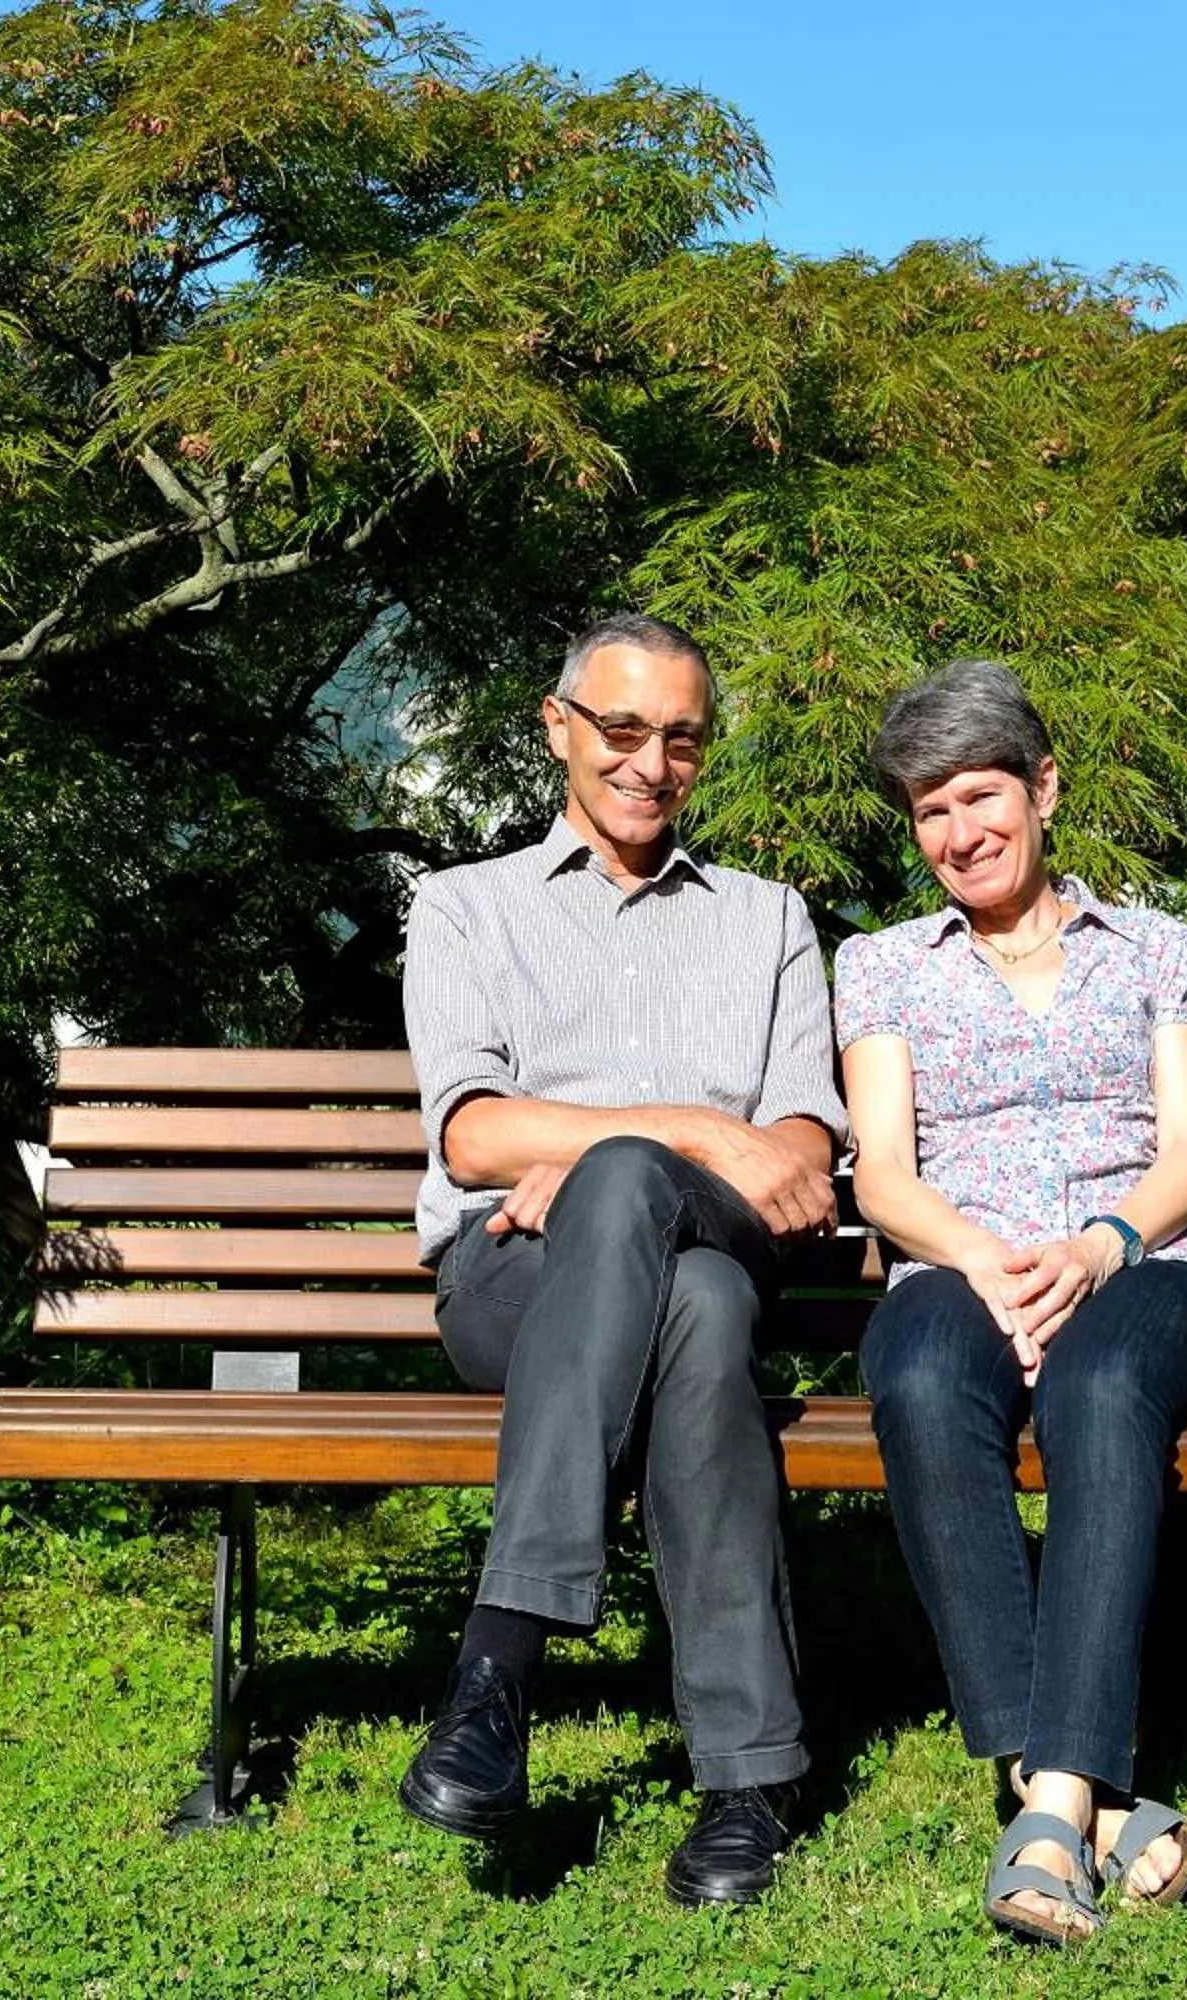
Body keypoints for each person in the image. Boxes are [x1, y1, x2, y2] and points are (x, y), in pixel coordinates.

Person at [397, 611, 847, 1907]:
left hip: (709, 1242)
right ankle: (747, 1784)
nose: (651, 764)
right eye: (623, 729)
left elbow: (805, 1147)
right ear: (559, 729)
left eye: (684, 740)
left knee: (665, 1231)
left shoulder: (765, 921)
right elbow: (476, 1133)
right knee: (689, 1289)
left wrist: (602, 1161)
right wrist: (689, 1133)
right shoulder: (465, 909)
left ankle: (496, 1678)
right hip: (512, 1284)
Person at [833, 659, 1187, 1947]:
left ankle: (1053, 1797)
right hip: (957, 1264)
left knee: (1103, 1385)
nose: (957, 834)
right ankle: (1081, 1798)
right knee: (912, 1380)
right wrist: (994, 1263)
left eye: (978, 797)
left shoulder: (1164, 951)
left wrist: (1098, 1247)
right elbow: (886, 1175)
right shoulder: (882, 966)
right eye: (928, 811)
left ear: (1044, 788)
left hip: (1148, 1271)